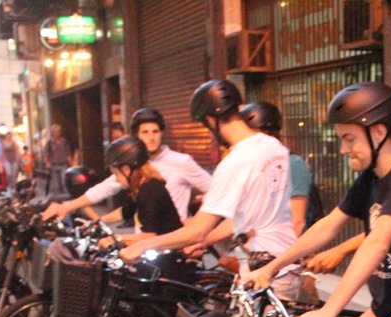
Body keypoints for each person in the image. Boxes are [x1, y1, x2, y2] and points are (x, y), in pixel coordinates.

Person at [247, 81, 391, 317]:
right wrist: (271, 268)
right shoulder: (371, 176)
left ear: (378, 132)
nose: (343, 149)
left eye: (349, 138)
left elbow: (378, 242)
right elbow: (330, 225)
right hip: (381, 313)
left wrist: (330, 310)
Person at [119, 79, 301, 300]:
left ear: (210, 120)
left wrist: (144, 245)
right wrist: (204, 241)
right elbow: (249, 215)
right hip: (283, 263)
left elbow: (197, 230)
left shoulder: (236, 161)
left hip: (266, 273)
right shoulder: (273, 146)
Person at [43, 108, 210, 224]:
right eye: (145, 132)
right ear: (136, 136)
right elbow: (104, 188)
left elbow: (215, 189)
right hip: (145, 243)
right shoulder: (133, 163)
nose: (151, 138)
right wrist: (66, 207)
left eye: (155, 132)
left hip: (176, 242)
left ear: (162, 133)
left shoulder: (181, 161)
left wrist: (197, 224)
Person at [237, 101, 314, 237]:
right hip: (259, 247)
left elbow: (297, 222)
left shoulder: (292, 164)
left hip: (286, 251)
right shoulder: (254, 164)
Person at [101, 136, 181, 246]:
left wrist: (114, 239)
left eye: (116, 174)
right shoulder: (144, 186)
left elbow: (149, 237)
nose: (116, 179)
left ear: (126, 170)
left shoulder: (150, 190)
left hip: (173, 255)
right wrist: (98, 222)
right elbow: (126, 211)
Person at [43, 124, 71, 196]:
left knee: (64, 181)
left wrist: (71, 163)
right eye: (55, 132)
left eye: (58, 131)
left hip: (63, 164)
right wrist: (47, 163)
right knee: (56, 184)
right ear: (52, 133)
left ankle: (65, 197)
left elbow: (68, 154)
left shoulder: (64, 142)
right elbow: (45, 155)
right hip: (54, 165)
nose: (56, 133)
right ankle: (58, 198)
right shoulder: (49, 143)